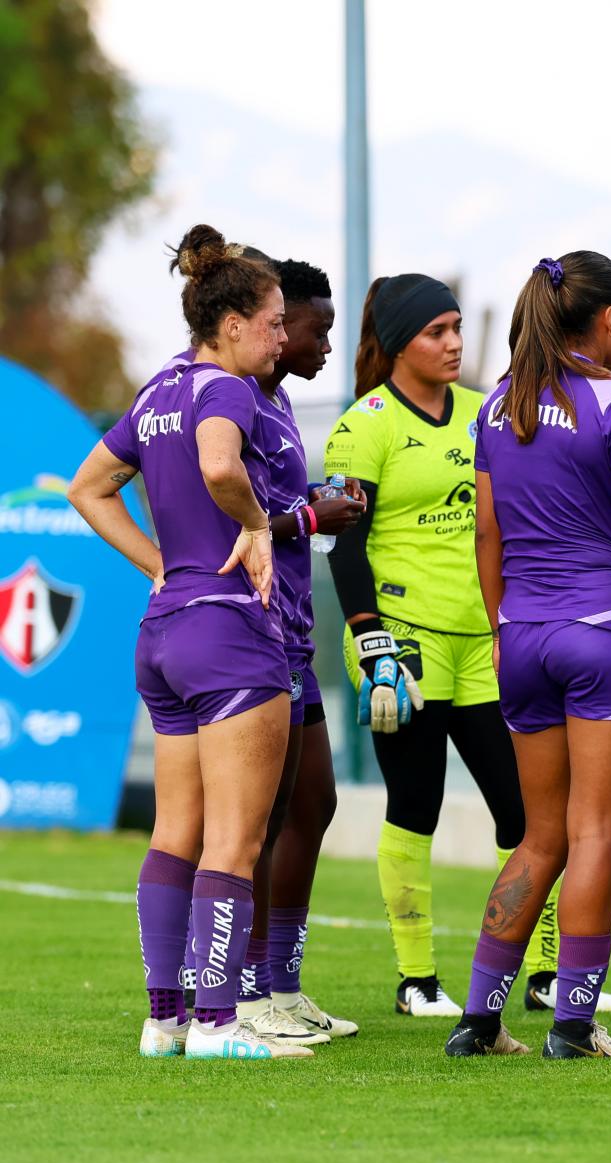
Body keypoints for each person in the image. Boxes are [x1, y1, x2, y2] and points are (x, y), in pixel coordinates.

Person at [326, 275, 611, 1018]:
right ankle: (417, 980)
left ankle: (546, 975)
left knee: (527, 819)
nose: (454, 342)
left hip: (489, 643)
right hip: (404, 647)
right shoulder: (363, 425)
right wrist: (370, 641)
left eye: (458, 327)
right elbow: (342, 546)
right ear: (399, 343)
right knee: (415, 804)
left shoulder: (486, 411)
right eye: (437, 331)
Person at [67, 224, 308, 1059]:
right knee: (234, 842)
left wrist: (158, 564)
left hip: (165, 634)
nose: (283, 337)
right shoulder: (227, 389)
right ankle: (215, 1022)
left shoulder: (157, 387)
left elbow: (88, 487)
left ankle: (164, 1018)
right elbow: (217, 467)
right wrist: (257, 524)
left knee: (175, 831)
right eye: (276, 321)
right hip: (230, 634)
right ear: (233, 321)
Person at [444, 251, 611, 1060]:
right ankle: (574, 1026)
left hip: (522, 636)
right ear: (610, 320)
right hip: (610, 631)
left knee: (540, 836)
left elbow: (487, 534)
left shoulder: (495, 409)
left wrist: (505, 623)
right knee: (593, 834)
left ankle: (479, 1018)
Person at [234, 257, 369, 1044]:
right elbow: (230, 519)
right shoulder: (231, 401)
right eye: (304, 327)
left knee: (312, 800)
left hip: (292, 631)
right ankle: (244, 991)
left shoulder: (279, 400)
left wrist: (313, 511)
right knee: (262, 813)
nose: (314, 343)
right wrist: (312, 519)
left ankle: (281, 981)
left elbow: (273, 512)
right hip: (249, 632)